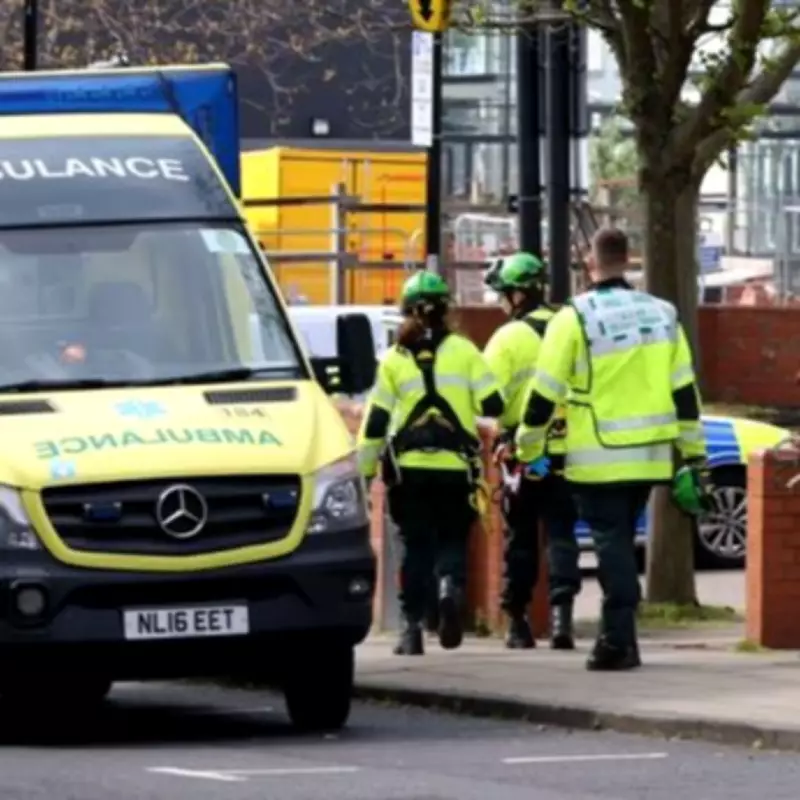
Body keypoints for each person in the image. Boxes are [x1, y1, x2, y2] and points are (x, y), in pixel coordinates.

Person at [515, 227, 708, 671]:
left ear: (589, 263)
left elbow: (544, 393)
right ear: (629, 260)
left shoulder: (573, 317)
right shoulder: (663, 314)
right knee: (618, 539)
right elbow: (684, 392)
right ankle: (622, 637)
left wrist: (529, 448)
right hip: (650, 456)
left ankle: (617, 641)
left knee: (611, 545)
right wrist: (694, 456)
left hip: (597, 455)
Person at [357, 270, 505, 656]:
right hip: (455, 468)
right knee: (453, 538)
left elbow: (375, 422)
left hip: (410, 471)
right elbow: (494, 406)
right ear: (447, 311)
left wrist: (365, 470)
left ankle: (411, 630)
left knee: (414, 546)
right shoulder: (465, 351)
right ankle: (449, 589)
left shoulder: (392, 359)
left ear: (406, 312)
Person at [483, 252, 581, 650]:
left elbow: (488, 400)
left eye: (505, 294)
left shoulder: (508, 338)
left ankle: (519, 622)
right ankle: (562, 619)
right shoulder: (572, 327)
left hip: (524, 456)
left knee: (521, 538)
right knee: (562, 535)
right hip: (567, 452)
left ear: (519, 294)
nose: (503, 302)